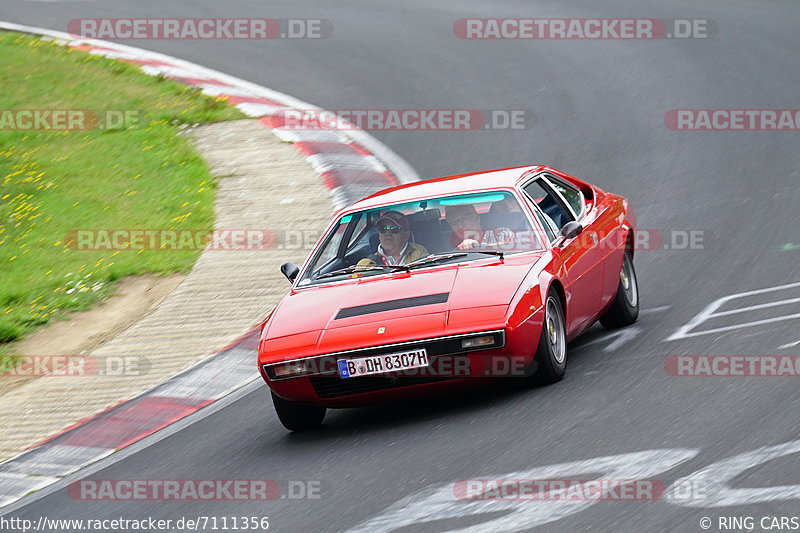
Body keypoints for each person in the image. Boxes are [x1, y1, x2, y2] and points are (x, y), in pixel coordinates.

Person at [356, 210, 429, 268]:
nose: (387, 233)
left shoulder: (419, 252)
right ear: (379, 235)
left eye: (394, 229)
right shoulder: (366, 264)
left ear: (406, 235)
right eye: (383, 229)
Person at [446, 203, 516, 250]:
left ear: (476, 218)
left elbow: (516, 253)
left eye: (463, 219)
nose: (460, 226)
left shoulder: (502, 234)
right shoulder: (455, 253)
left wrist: (476, 247)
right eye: (454, 223)